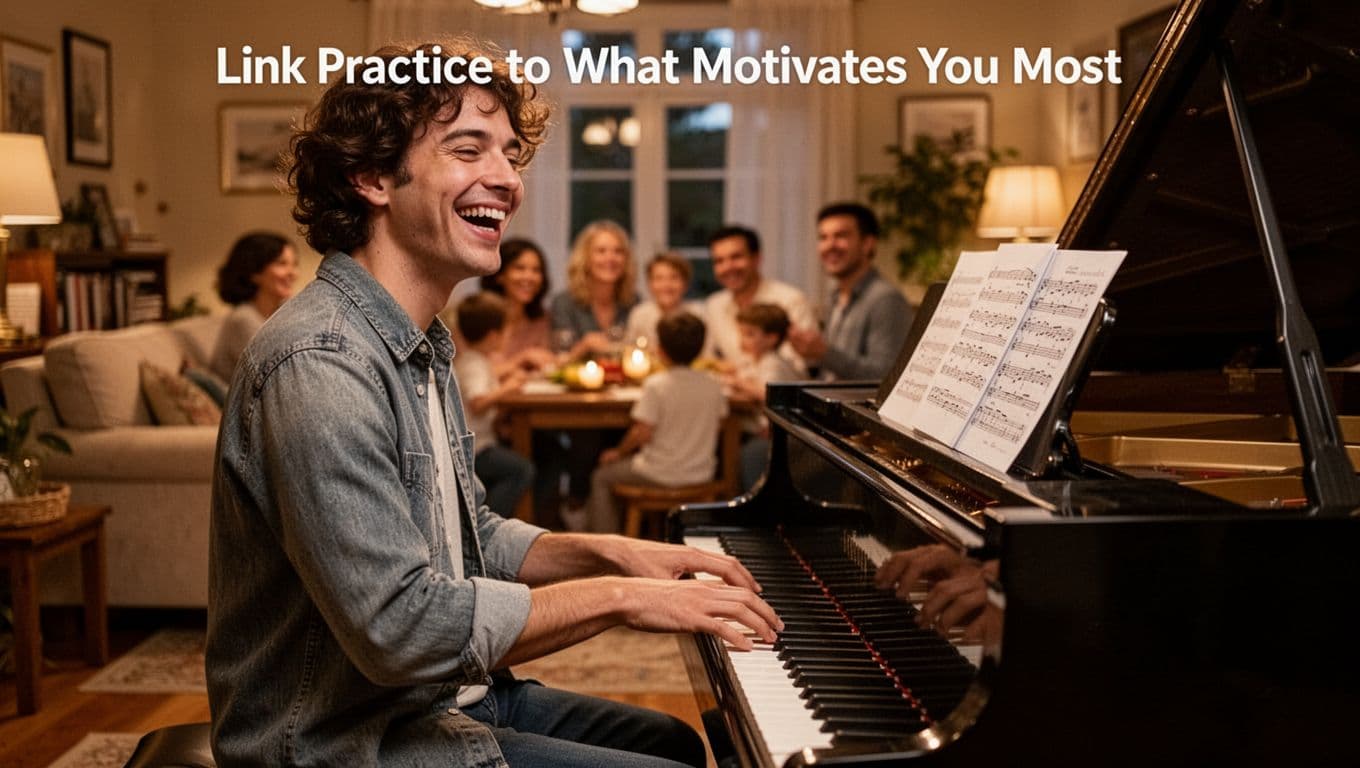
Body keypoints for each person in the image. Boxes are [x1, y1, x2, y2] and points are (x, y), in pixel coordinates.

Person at [207, 36, 779, 768]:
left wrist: (621, 553)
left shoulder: (419, 341)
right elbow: (399, 628)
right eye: (469, 149)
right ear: (374, 176)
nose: (507, 179)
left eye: (510, 154)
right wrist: (622, 598)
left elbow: (469, 533)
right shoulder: (322, 360)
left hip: (436, 700)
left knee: (673, 741)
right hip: (344, 739)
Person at [584, 312, 727, 534]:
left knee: (601, 476)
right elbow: (719, 425)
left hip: (657, 473)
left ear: (661, 350)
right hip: (701, 473)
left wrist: (618, 452)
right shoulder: (714, 384)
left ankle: (605, 545)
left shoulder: (657, 384)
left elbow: (642, 432)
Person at [787, 202, 913, 381]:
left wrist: (824, 352)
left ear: (867, 244)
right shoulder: (835, 296)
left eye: (841, 236)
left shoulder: (885, 299)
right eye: (823, 237)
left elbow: (886, 376)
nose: (830, 245)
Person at [453, 291, 535, 519]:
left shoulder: (476, 361)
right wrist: (506, 390)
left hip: (479, 444)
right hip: (475, 449)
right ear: (492, 336)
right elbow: (478, 402)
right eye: (506, 331)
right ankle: (487, 521)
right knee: (521, 469)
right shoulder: (474, 364)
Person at [704, 225, 815, 372]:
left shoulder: (791, 300)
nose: (727, 267)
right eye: (719, 261)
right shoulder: (714, 305)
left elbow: (800, 364)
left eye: (736, 257)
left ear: (756, 258)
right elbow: (709, 360)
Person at [725, 303, 801, 492]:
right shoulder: (754, 360)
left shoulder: (773, 363)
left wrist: (739, 383)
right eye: (742, 333)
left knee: (740, 452)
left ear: (771, 338)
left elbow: (768, 393)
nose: (743, 339)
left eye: (750, 334)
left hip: (775, 432)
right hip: (759, 427)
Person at [208, 231, 299, 381]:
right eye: (282, 264)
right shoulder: (243, 319)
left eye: (294, 264)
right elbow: (277, 374)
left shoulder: (282, 311)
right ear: (255, 272)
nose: (293, 273)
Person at [549, 219, 639, 359]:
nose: (610, 258)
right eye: (601, 251)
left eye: (618, 251)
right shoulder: (564, 303)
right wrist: (585, 345)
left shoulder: (634, 302)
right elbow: (558, 361)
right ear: (585, 258)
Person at [479, 237, 556, 377]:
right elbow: (466, 379)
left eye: (536, 270)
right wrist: (522, 359)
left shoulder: (541, 321)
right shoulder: (476, 316)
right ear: (499, 275)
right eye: (519, 268)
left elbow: (547, 369)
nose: (529, 277)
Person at [624, 252, 705, 353]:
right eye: (659, 278)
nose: (666, 285)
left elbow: (706, 354)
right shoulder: (640, 314)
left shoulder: (697, 313)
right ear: (649, 283)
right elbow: (630, 350)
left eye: (674, 278)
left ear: (685, 283)